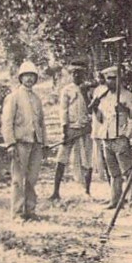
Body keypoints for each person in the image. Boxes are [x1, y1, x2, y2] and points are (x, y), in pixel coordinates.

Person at [95, 65, 132, 212]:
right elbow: (101, 119)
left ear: (120, 79)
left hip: (120, 137)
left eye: (113, 78)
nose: (110, 82)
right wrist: (94, 108)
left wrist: (126, 134)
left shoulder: (127, 96)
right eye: (108, 79)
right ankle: (116, 199)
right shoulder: (104, 97)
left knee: (128, 170)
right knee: (114, 173)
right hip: (107, 137)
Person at [1, 60, 47, 222]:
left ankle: (30, 209)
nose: (29, 79)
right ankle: (17, 212)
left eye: (32, 76)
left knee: (32, 178)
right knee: (18, 179)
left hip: (35, 143)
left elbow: (41, 123)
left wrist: (44, 143)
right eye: (26, 76)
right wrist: (10, 143)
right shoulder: (13, 97)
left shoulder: (36, 99)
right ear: (20, 78)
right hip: (20, 143)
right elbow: (7, 122)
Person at [50, 60, 93, 202]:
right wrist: (64, 129)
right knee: (62, 158)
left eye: (80, 73)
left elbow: (92, 109)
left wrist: (85, 94)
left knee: (87, 159)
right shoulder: (67, 90)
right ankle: (55, 192)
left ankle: (87, 190)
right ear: (71, 74)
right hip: (70, 128)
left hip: (85, 128)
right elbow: (63, 110)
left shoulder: (88, 89)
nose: (77, 75)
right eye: (74, 73)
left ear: (84, 75)